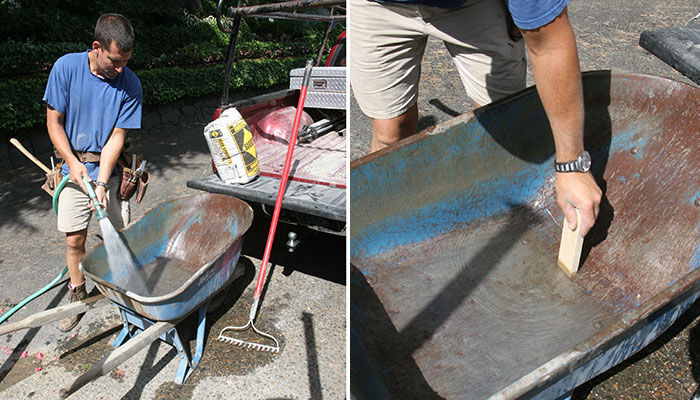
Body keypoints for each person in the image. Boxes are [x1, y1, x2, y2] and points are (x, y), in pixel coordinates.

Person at [349, 0, 602, 237]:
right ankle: (389, 235)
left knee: (506, 126)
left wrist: (573, 164)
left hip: (473, 6)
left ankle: (501, 226)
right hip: (378, 6)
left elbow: (548, 43)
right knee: (389, 133)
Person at [44, 13, 142, 331]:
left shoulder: (130, 84)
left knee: (121, 235)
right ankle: (78, 292)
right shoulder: (66, 69)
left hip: (111, 170)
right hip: (73, 166)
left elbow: (117, 137)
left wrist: (101, 182)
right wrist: (72, 163)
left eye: (125, 62)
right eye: (114, 61)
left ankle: (124, 289)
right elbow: (53, 122)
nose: (120, 69)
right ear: (97, 47)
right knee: (75, 240)